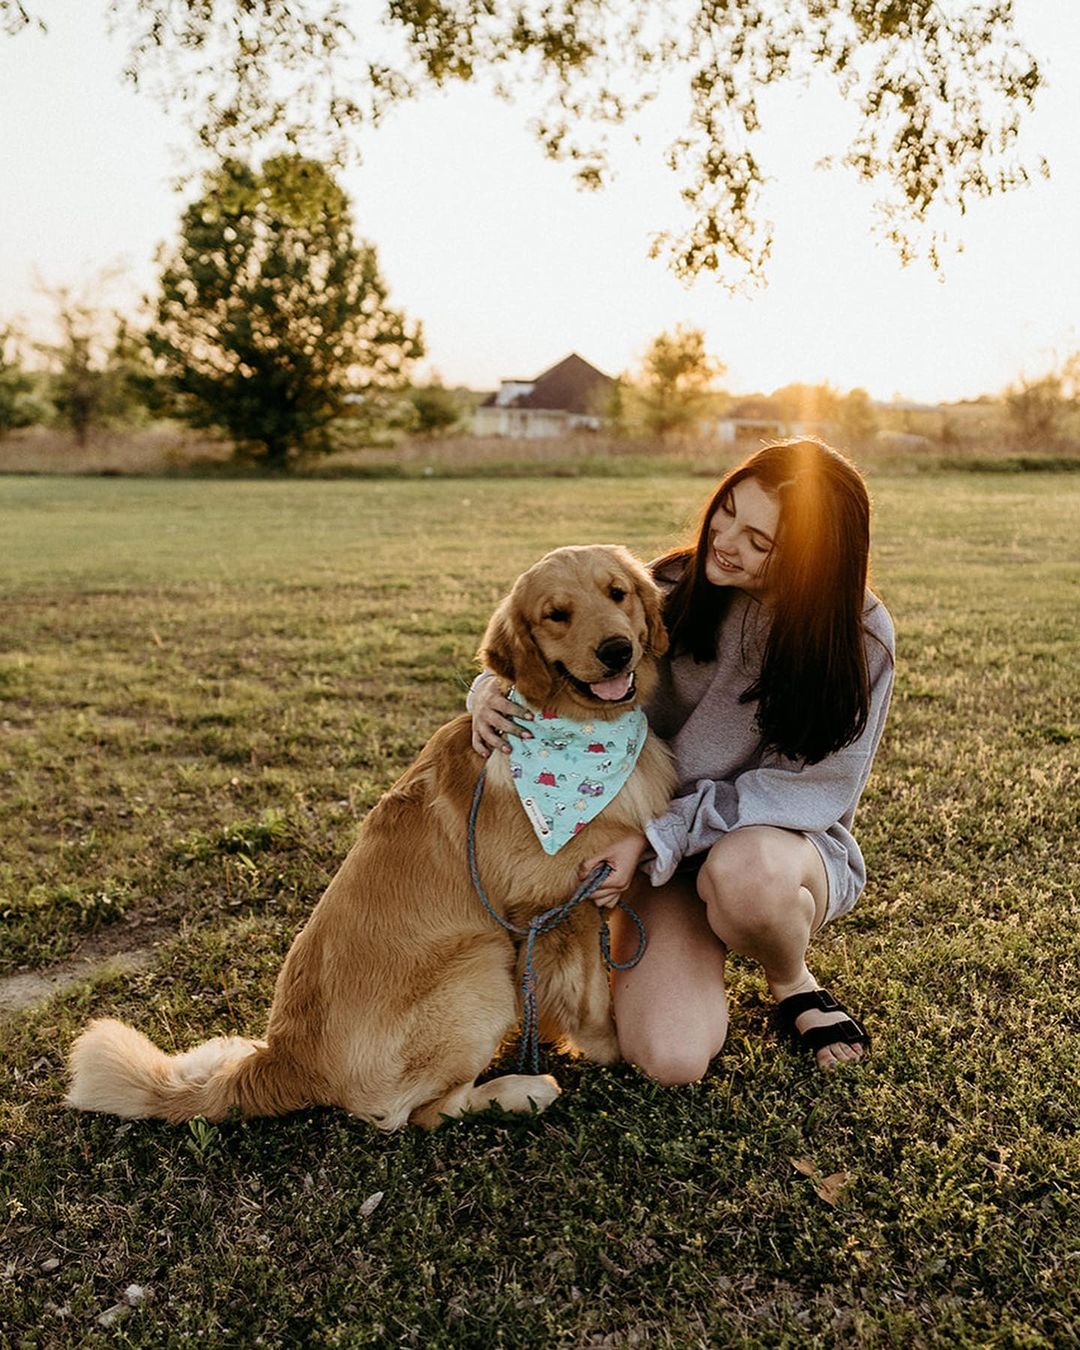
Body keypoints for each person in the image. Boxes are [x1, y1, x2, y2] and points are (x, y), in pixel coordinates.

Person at [468, 439, 894, 1081]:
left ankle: (792, 981)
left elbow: (812, 790)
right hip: (661, 858)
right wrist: (485, 691)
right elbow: (554, 638)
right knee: (670, 1059)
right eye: (727, 511)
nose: (726, 540)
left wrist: (654, 835)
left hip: (770, 848)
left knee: (746, 877)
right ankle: (672, 953)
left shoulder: (857, 636)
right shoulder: (663, 586)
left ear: (812, 560)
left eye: (760, 541)